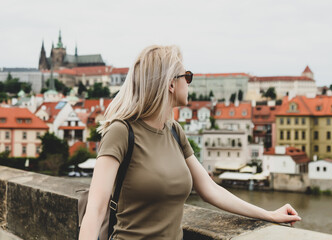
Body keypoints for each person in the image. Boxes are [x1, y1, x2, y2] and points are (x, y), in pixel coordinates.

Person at [79, 45, 301, 240]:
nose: (189, 82)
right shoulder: (121, 131)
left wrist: (269, 214)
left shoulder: (175, 132)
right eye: (187, 76)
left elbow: (210, 190)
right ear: (170, 84)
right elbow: (96, 210)